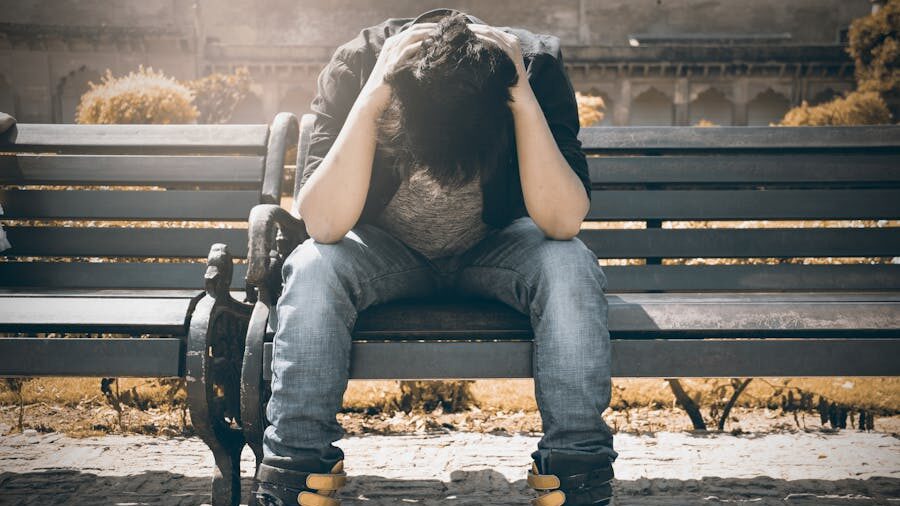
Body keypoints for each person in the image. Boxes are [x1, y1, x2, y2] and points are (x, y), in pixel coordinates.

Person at [255, 8, 616, 506]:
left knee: (570, 262)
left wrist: (522, 101)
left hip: (496, 247)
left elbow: (562, 222)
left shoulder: (534, 68)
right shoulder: (359, 65)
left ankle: (577, 465)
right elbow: (322, 224)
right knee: (314, 266)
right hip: (384, 252)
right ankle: (297, 464)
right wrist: (374, 94)